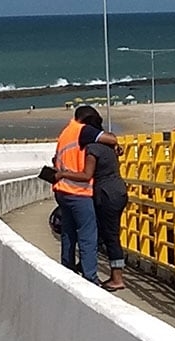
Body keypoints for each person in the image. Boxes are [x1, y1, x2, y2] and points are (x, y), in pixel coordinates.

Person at [55, 108, 128, 291]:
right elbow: (111, 139)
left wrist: (62, 173)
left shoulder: (66, 133)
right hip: (84, 192)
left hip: (65, 190)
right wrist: (116, 143)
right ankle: (90, 278)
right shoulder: (86, 133)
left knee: (69, 233)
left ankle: (69, 270)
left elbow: (59, 159)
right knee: (91, 235)